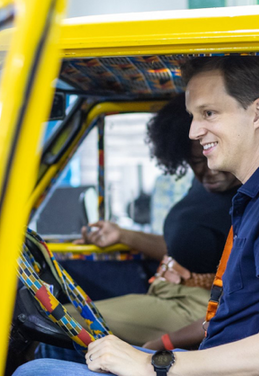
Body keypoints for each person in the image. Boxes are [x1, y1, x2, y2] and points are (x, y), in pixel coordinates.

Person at [14, 55, 259, 376]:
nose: (194, 131)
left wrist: (152, 363)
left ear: (257, 113)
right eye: (193, 116)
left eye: (208, 113)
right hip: (211, 355)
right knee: (68, 349)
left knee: (34, 372)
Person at [45, 92, 240, 355]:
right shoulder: (204, 184)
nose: (209, 170)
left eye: (213, 157)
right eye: (197, 161)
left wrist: (168, 342)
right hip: (164, 293)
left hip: (196, 309)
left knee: (57, 318)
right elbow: (182, 248)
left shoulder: (247, 199)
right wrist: (123, 235)